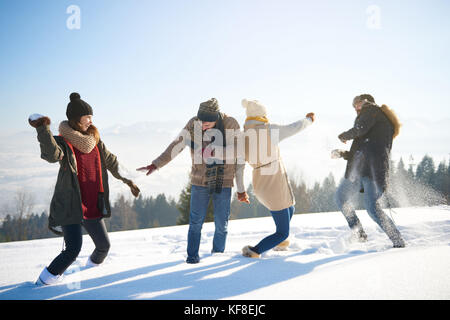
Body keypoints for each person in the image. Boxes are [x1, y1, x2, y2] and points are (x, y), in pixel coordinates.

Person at [29, 92, 140, 285]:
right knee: (72, 250)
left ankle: (91, 272)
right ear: (75, 119)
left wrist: (128, 180)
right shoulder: (63, 143)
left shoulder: (95, 141)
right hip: (72, 205)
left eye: (91, 117)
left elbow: (113, 162)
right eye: (87, 117)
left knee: (104, 246)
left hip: (92, 204)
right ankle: (42, 284)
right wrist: (42, 129)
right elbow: (51, 154)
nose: (90, 121)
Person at [137, 98, 248, 264]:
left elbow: (239, 150)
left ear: (216, 117)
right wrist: (156, 164)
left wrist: (214, 152)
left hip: (223, 181)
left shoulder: (230, 123)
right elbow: (177, 145)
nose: (203, 125)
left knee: (221, 225)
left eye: (207, 123)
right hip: (199, 181)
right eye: (201, 121)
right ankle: (192, 258)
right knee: (195, 223)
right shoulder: (193, 123)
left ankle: (217, 257)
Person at [239, 99, 315, 258]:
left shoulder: (243, 136)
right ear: (262, 115)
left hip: (261, 183)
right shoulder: (268, 130)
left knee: (290, 208)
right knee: (282, 231)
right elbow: (294, 128)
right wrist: (308, 120)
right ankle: (255, 251)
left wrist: (241, 190)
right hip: (273, 184)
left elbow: (239, 164)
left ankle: (279, 241)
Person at [333, 94, 405, 248]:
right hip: (360, 169)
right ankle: (359, 233)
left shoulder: (372, 111)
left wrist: (345, 135)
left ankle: (398, 241)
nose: (355, 108)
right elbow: (363, 147)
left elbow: (360, 129)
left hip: (373, 170)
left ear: (366, 102)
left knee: (371, 207)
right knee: (341, 198)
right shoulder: (371, 120)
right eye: (353, 106)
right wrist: (343, 153)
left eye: (357, 104)